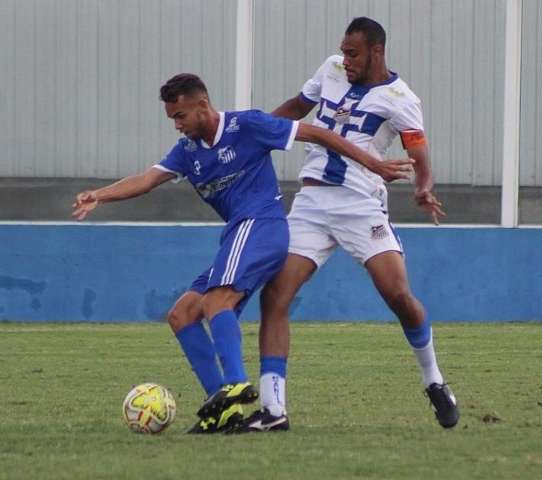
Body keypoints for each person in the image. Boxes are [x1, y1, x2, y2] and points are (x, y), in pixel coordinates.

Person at [71, 73, 413, 433]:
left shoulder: (247, 125)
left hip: (263, 226)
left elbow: (315, 132)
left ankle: (235, 382)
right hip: (238, 235)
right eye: (172, 118)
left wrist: (371, 164)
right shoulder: (187, 152)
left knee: (216, 302)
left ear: (202, 105)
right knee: (183, 314)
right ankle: (224, 409)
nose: (177, 125)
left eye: (180, 116)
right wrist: (100, 194)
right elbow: (146, 179)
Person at [237, 17, 459, 433]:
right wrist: (251, 133)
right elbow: (295, 110)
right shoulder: (331, 70)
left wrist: (423, 187)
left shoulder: (401, 98)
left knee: (397, 295)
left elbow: (420, 155)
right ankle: (273, 409)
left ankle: (434, 380)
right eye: (343, 51)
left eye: (353, 53)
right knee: (276, 295)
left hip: (361, 205)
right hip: (312, 204)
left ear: (377, 51)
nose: (345, 59)